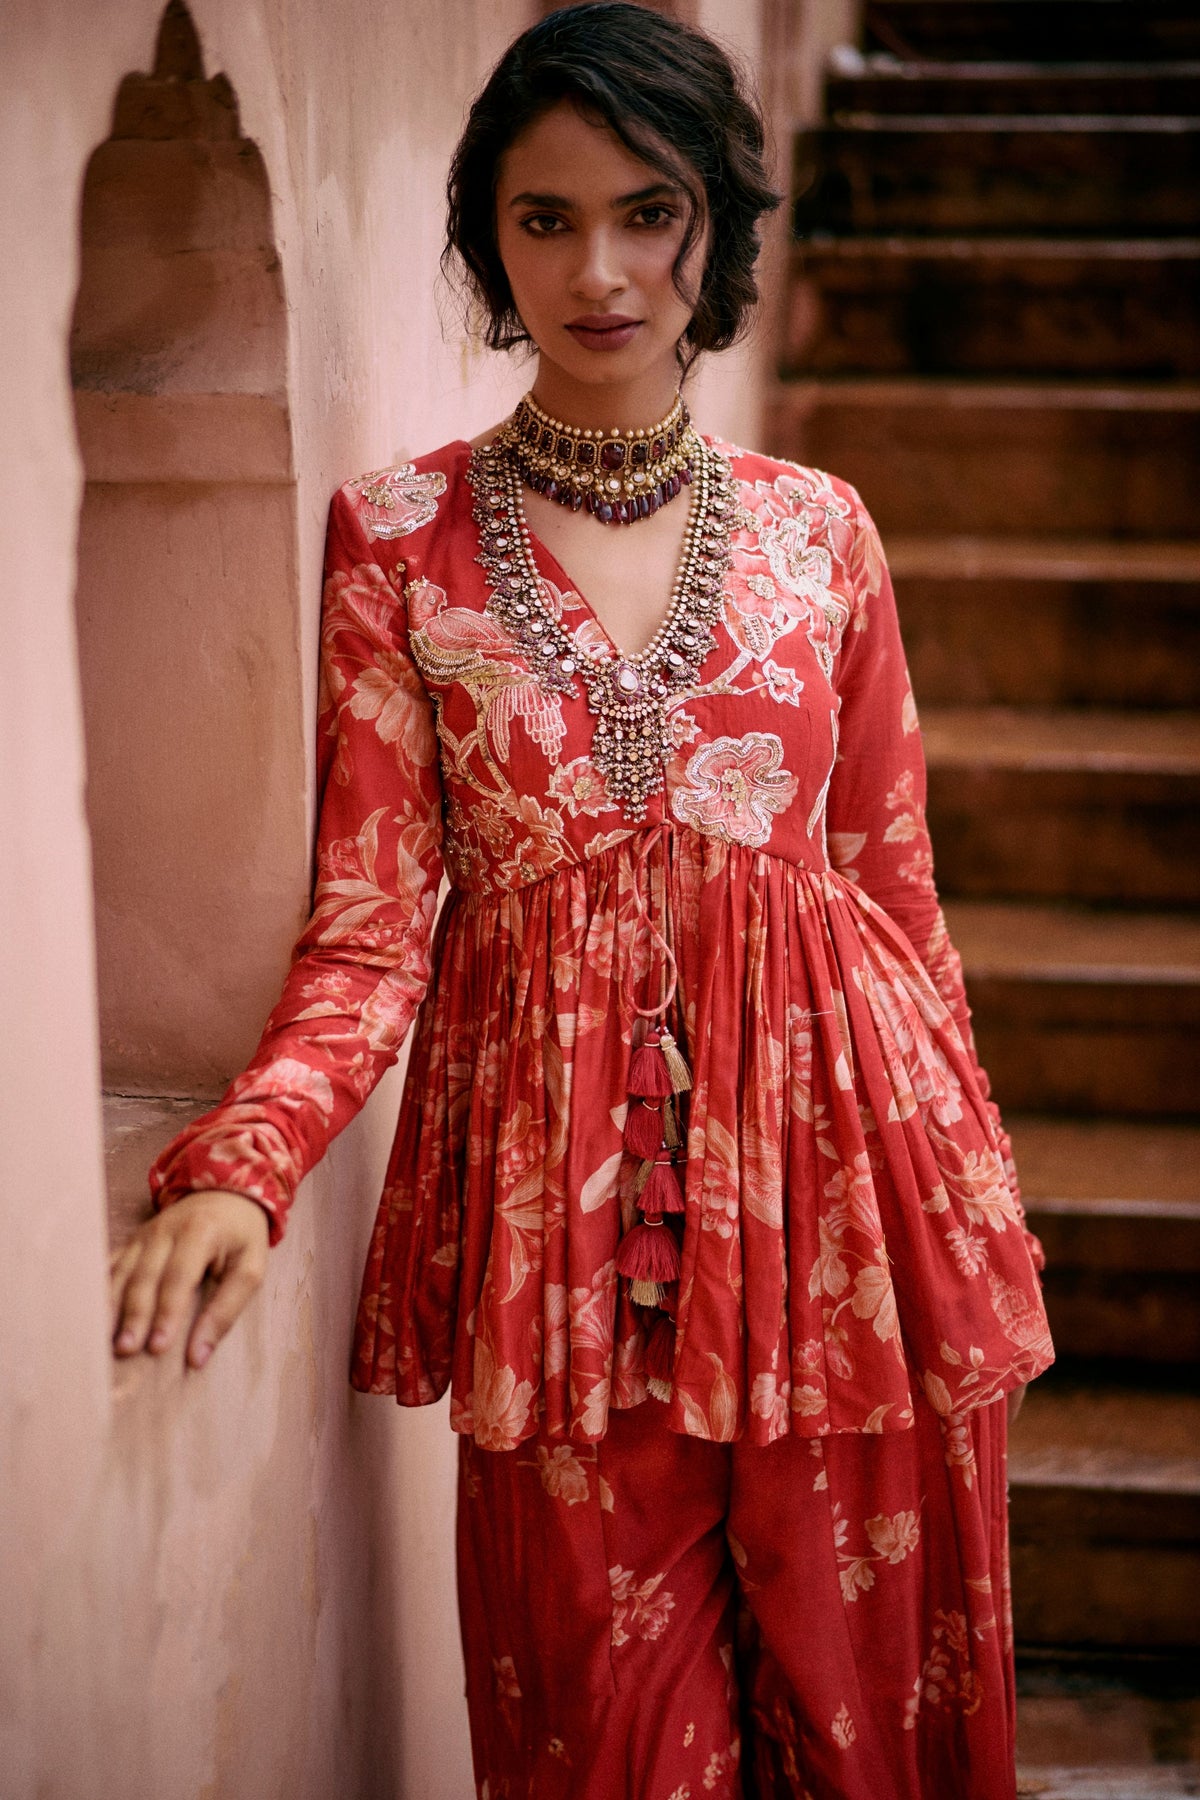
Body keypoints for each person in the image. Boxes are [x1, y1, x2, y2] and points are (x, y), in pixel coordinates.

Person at [109, 6, 1053, 1796]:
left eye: (648, 211)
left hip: (846, 1236)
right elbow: (374, 921)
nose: (600, 269)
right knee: (611, 1758)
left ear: (715, 232)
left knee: (874, 1757)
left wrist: (967, 1226)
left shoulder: (820, 532)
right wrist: (244, 1162)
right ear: (489, 241)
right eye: (544, 221)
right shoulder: (400, 538)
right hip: (558, 1274)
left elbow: (895, 902)